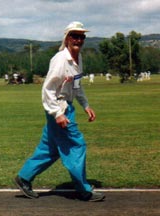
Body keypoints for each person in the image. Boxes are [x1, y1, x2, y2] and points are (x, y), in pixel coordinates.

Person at [15, 21, 105, 202]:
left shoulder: (78, 59)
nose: (78, 40)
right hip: (59, 108)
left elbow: (77, 86)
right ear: (67, 38)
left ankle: (24, 177)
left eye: (82, 37)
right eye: (74, 36)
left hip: (66, 107)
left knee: (50, 149)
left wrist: (86, 105)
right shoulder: (60, 60)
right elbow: (47, 90)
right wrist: (57, 114)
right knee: (76, 146)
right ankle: (84, 190)